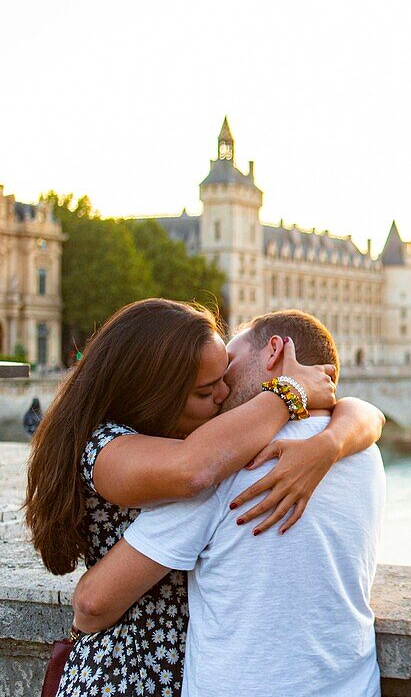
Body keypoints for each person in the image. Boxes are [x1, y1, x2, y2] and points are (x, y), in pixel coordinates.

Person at [24, 299, 384, 697]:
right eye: (207, 388)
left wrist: (330, 442)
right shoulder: (123, 447)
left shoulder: (231, 454)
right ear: (160, 390)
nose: (224, 391)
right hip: (129, 672)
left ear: (275, 351)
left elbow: (368, 416)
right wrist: (292, 393)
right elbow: (193, 467)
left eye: (226, 370)